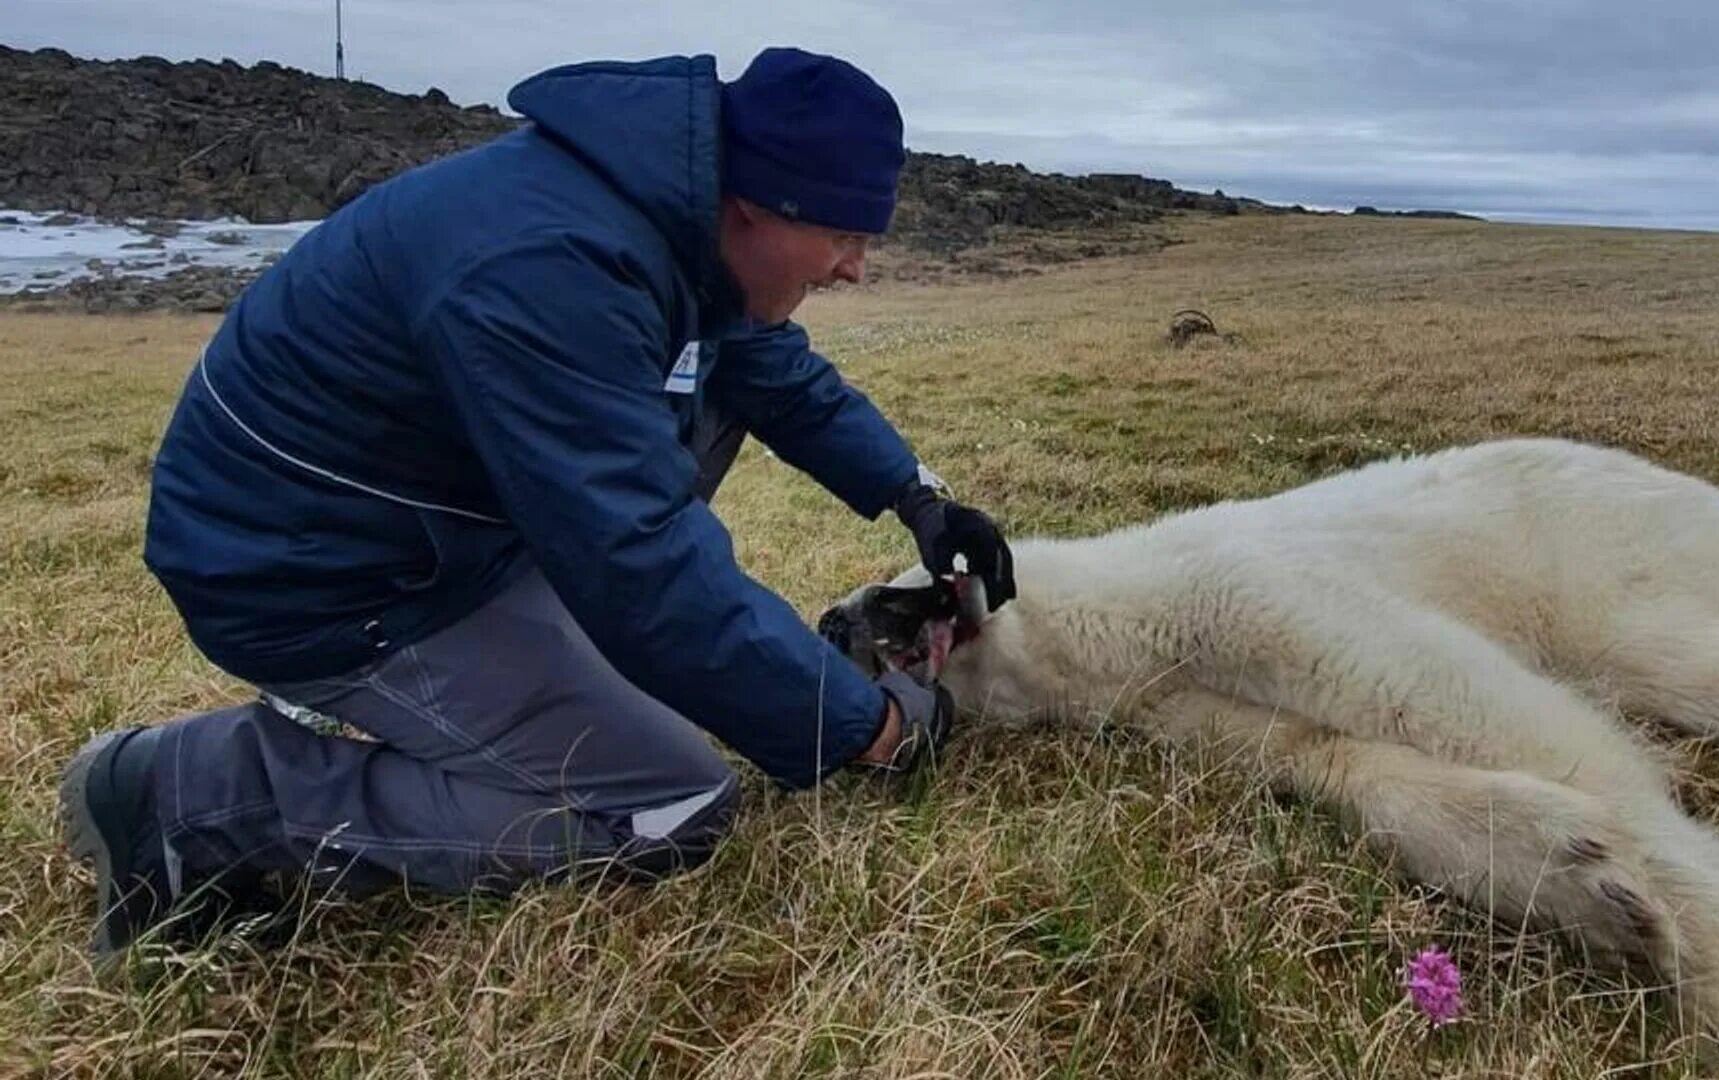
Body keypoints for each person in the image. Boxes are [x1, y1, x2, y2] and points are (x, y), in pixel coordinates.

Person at [56, 46, 1017, 957]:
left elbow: (772, 375)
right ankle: (188, 797)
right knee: (668, 802)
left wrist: (919, 498)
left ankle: (553, 664)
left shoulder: (671, 225)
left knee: (682, 548)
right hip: (315, 575)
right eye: (845, 234)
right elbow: (639, 563)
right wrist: (867, 730)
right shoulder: (551, 267)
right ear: (759, 204)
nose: (855, 267)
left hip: (427, 530)